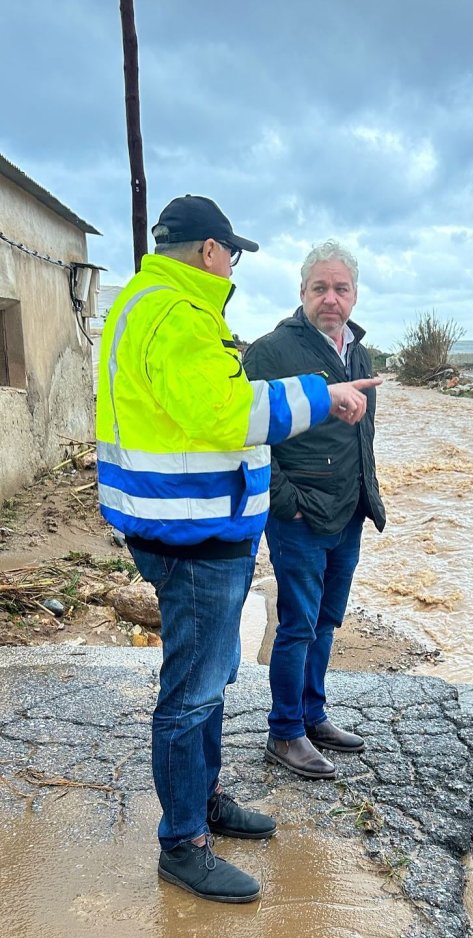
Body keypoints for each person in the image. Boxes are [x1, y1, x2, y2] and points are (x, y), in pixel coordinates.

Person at [96, 197, 380, 904]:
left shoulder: (158, 305)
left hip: (193, 527)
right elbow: (227, 415)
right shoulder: (178, 314)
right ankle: (184, 843)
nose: (234, 265)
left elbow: (205, 409)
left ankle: (206, 804)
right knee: (192, 694)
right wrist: (322, 397)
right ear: (208, 251)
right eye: (233, 253)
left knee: (211, 678)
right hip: (191, 536)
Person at [242, 240, 386, 780]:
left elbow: (362, 435)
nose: (331, 298)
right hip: (300, 515)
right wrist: (288, 504)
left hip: (347, 511)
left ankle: (312, 715)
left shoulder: (358, 352)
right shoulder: (271, 351)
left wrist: (367, 496)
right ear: (302, 292)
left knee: (327, 619)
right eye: (320, 288)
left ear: (354, 294)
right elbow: (251, 437)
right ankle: (285, 733)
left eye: (341, 288)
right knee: (297, 624)